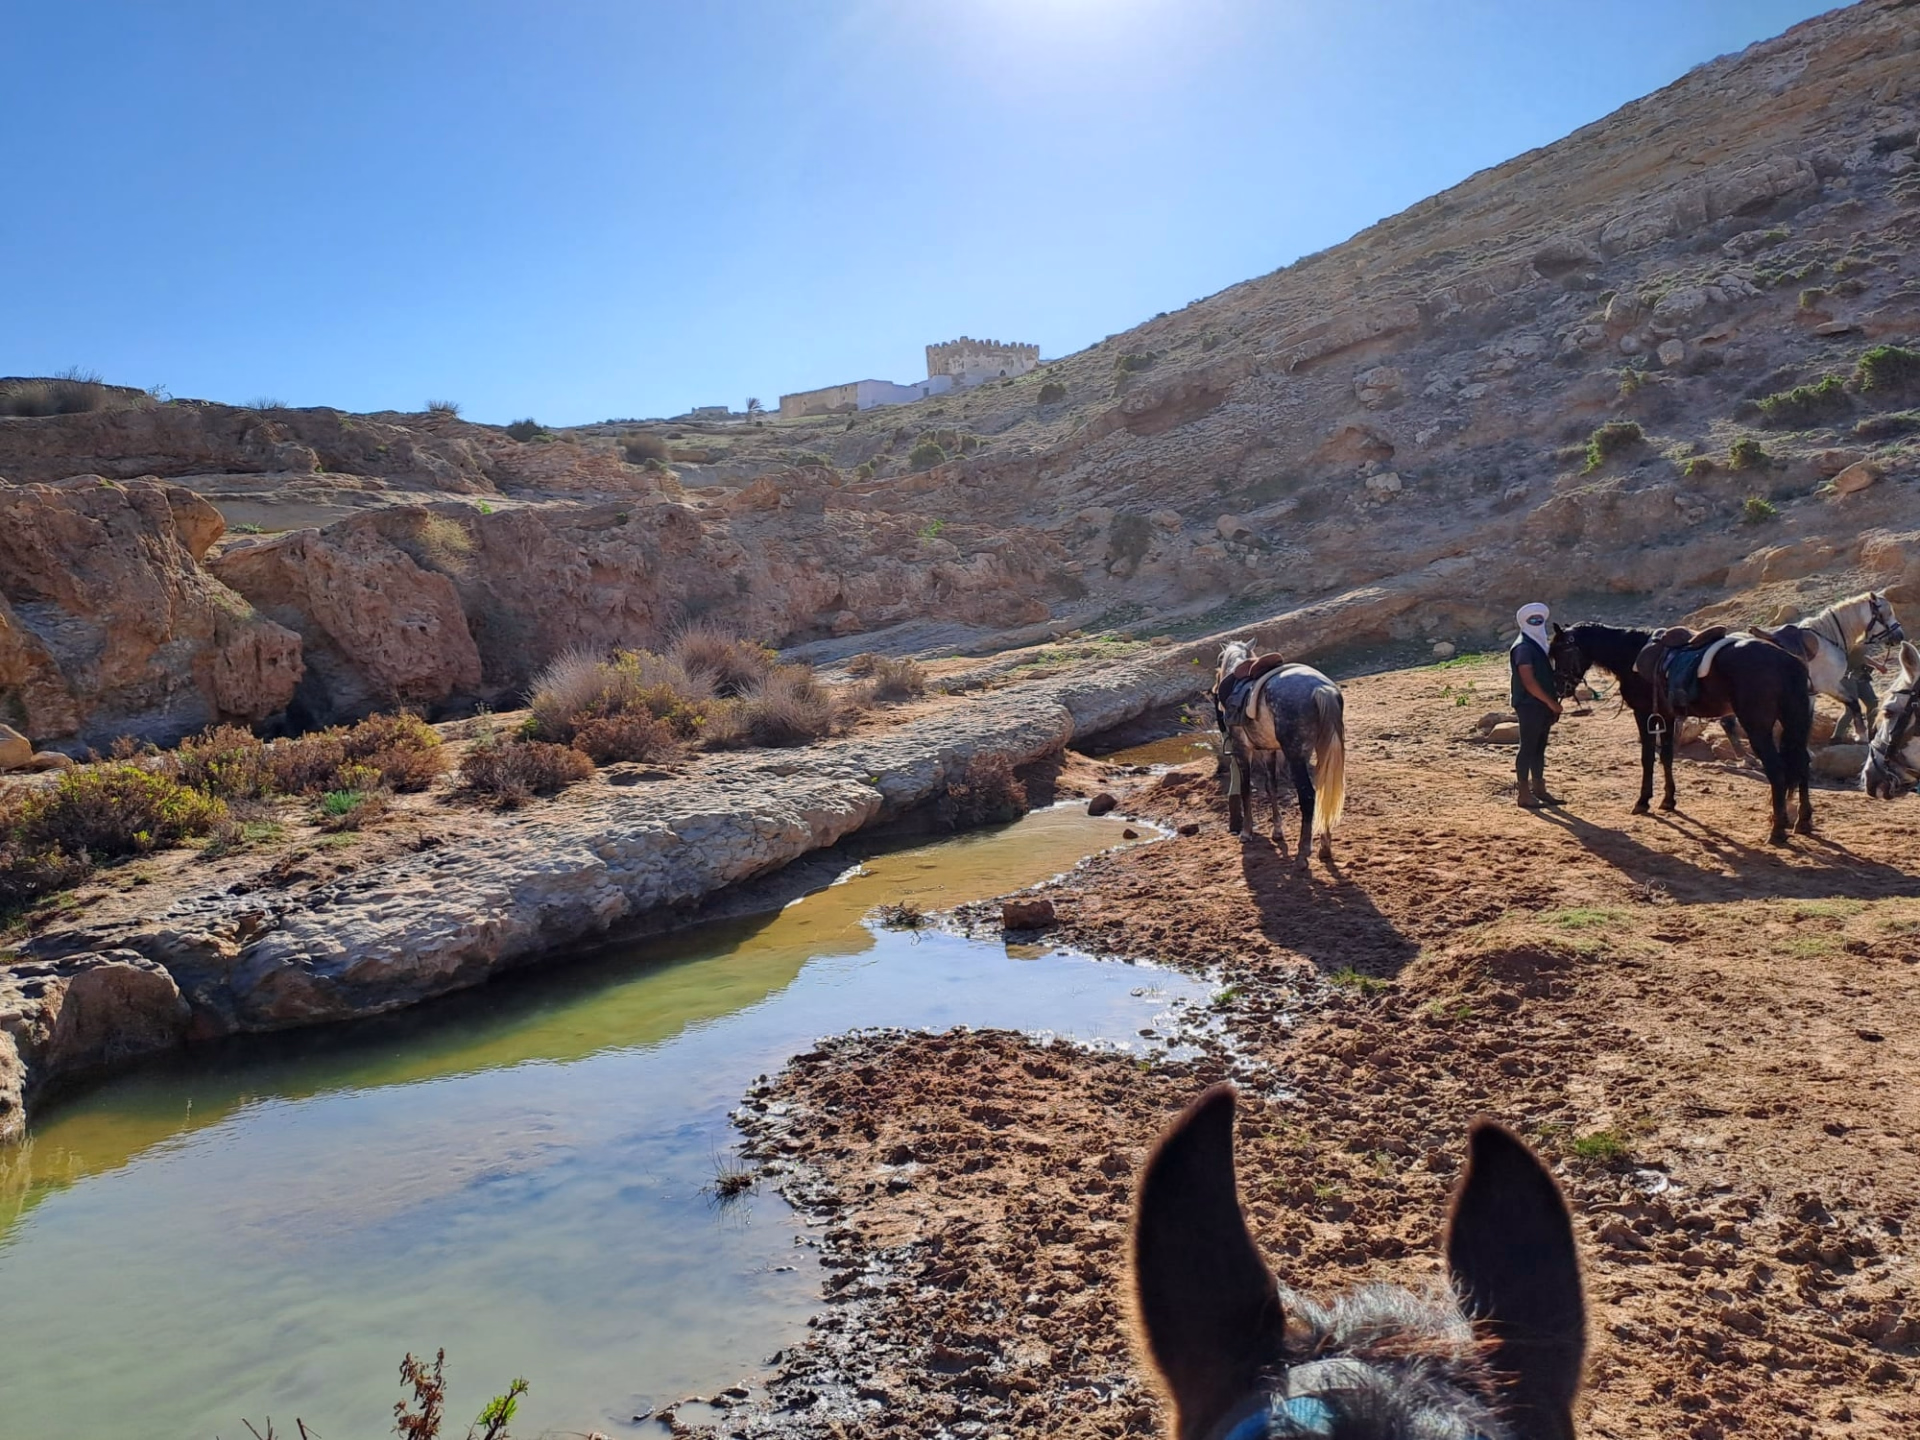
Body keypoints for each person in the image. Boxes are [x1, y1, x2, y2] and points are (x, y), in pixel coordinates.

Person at [1510, 601, 1563, 808]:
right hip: (1529, 704)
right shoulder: (1523, 647)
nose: (1537, 623)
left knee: (1539, 747)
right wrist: (1552, 703)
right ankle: (1524, 794)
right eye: (1533, 620)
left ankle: (1539, 790)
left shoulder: (1539, 645)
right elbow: (1528, 681)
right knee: (1528, 747)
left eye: (1539, 620)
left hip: (1541, 704)